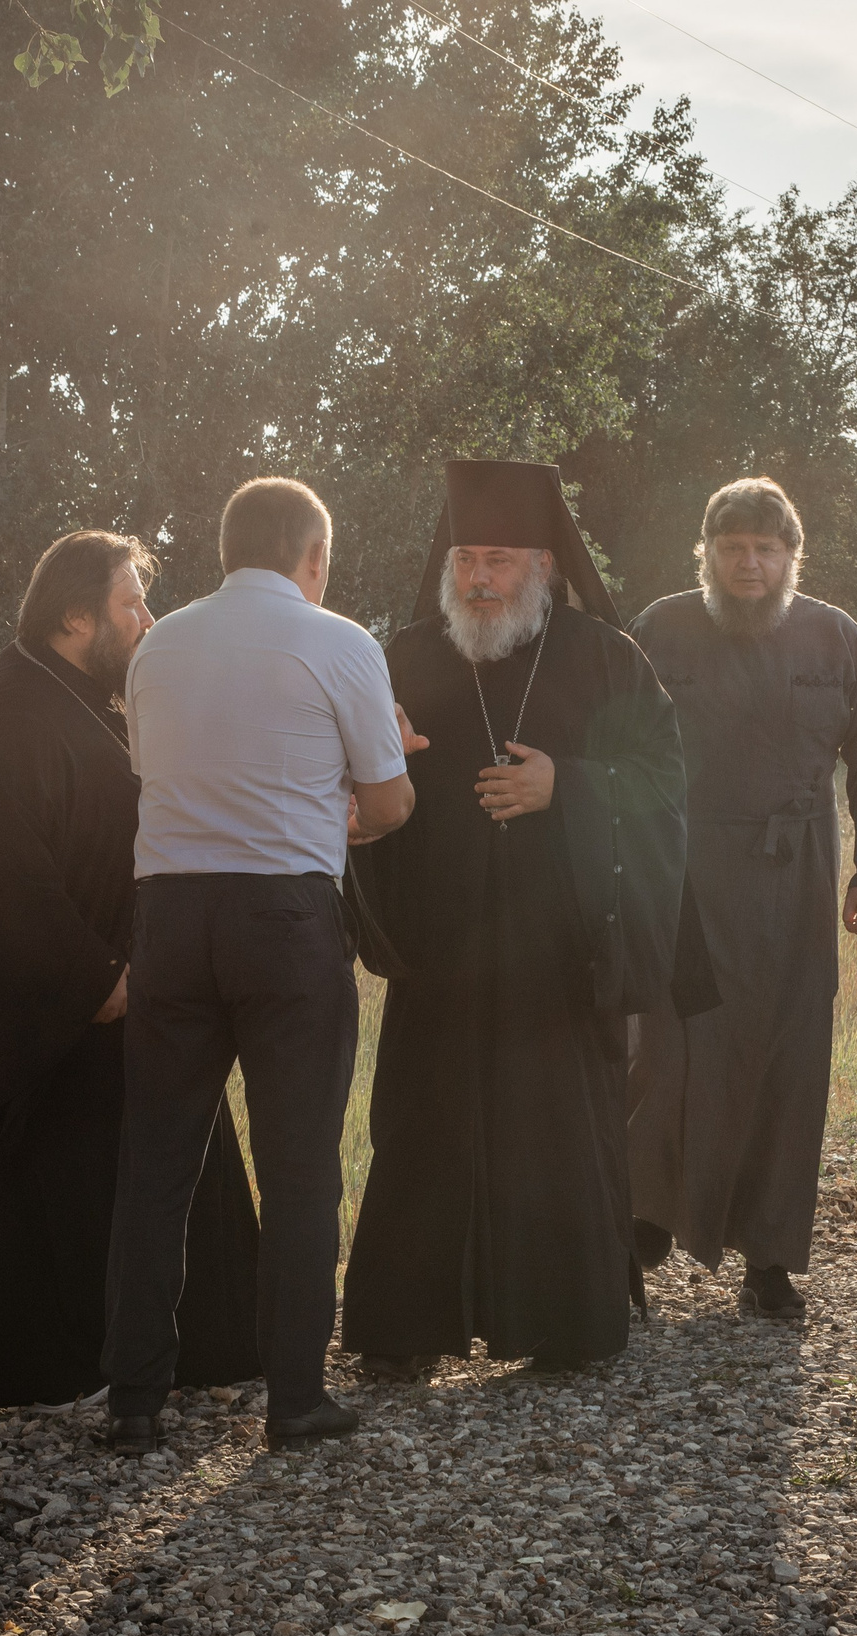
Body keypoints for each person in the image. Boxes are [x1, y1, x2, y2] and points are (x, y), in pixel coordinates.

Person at [343, 458, 709, 1380]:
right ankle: (404, 1328)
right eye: (467, 557)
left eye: (500, 560)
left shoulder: (605, 657)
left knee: (554, 1137)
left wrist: (569, 786)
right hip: (443, 951)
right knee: (425, 1132)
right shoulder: (409, 657)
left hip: (560, 955)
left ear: (543, 567)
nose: (478, 578)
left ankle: (567, 1324)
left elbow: (666, 786)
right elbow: (352, 776)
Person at [0, 534, 267, 1414]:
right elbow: (10, 867)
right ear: (75, 615)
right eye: (131, 605)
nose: (146, 621)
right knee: (66, 1188)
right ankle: (74, 1369)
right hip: (63, 1004)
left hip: (123, 980)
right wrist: (94, 978)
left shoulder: (73, 695)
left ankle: (194, 1350)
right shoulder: (14, 707)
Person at [102, 478, 411, 1454]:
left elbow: (158, 770)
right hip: (283, 915)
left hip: (171, 912)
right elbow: (390, 803)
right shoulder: (340, 641)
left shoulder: (158, 644)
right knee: (299, 1167)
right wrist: (348, 792)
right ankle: (294, 1399)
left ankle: (136, 1401)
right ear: (311, 556)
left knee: (155, 1166)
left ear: (225, 547)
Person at [626, 478, 857, 1319]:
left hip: (794, 882)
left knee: (786, 1068)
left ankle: (770, 1261)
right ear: (706, 552)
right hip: (682, 882)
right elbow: (612, 747)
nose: (749, 563)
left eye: (765, 549)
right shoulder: (658, 629)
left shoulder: (835, 638)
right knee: (667, 1060)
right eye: (732, 547)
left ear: (791, 555)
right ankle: (640, 1227)